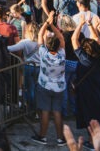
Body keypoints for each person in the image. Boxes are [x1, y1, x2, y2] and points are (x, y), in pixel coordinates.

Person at [31, 17, 67, 146]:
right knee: (57, 112)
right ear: (58, 46)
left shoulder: (43, 53)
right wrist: (52, 26)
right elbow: (61, 38)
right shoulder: (62, 54)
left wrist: (46, 23)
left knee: (45, 111)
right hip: (59, 87)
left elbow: (40, 34)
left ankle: (42, 136)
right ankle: (60, 138)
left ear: (47, 45)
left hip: (44, 86)